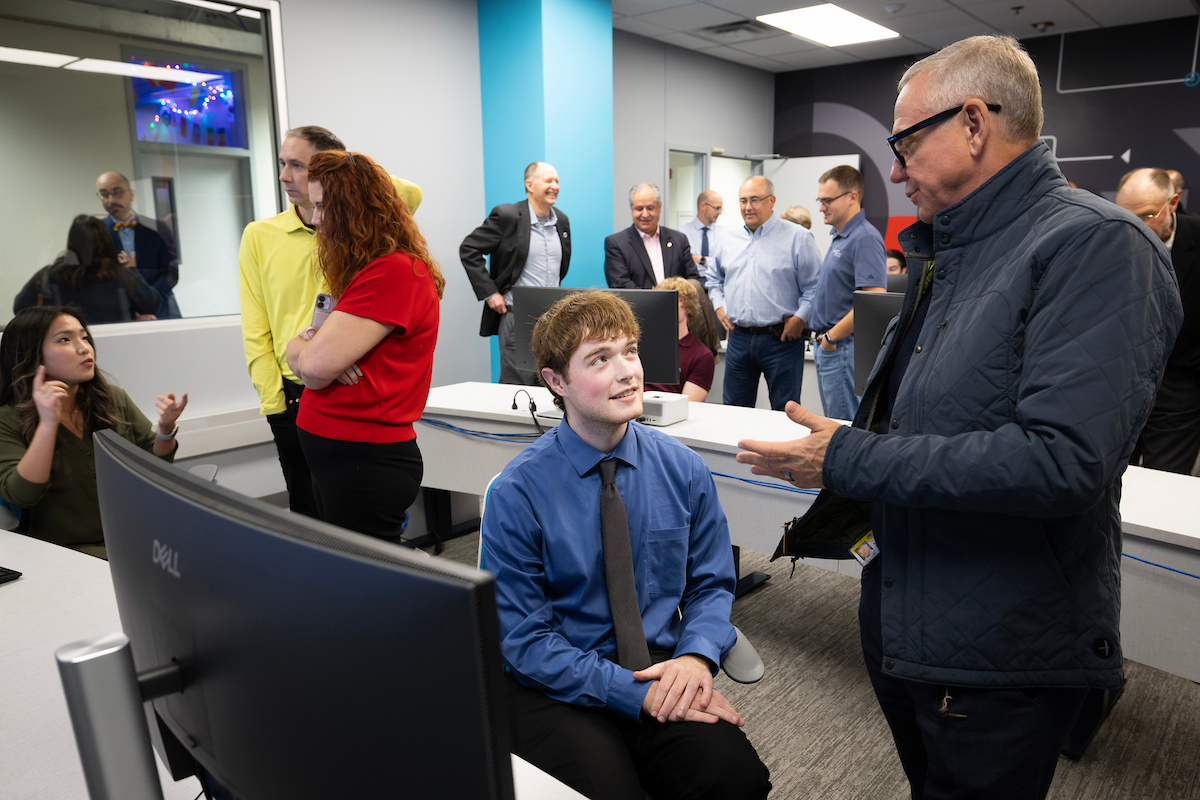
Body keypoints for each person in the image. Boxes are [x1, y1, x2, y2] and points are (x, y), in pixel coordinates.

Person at [736, 35, 1181, 800]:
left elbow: (1060, 462)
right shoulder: (956, 248)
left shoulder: (1097, 247)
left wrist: (847, 457)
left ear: (974, 123)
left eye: (905, 144)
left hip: (998, 651)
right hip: (913, 616)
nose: (896, 170)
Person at [482, 290, 770, 800]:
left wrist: (695, 657)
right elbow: (524, 640)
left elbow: (710, 585)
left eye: (630, 351)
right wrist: (635, 694)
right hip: (557, 679)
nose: (628, 372)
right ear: (556, 382)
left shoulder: (683, 469)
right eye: (600, 359)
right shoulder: (517, 493)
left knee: (734, 779)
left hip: (660, 663)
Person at [238, 125, 422, 519]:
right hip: (291, 392)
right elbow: (255, 324)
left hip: (348, 387)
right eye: (282, 164)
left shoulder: (364, 241)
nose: (284, 176)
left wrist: (344, 171)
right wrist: (273, 398)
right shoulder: (260, 235)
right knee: (308, 513)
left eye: (297, 165)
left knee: (354, 519)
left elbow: (409, 191)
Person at [285, 150, 443, 543]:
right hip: (341, 453)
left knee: (364, 573)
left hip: (363, 458)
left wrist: (314, 351)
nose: (316, 219)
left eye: (324, 207)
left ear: (355, 209)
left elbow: (313, 369)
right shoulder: (368, 268)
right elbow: (297, 354)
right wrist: (312, 347)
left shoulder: (394, 272)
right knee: (343, 566)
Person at [0, 306, 188, 559]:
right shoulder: (7, 418)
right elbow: (22, 495)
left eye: (84, 337)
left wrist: (165, 430)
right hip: (69, 554)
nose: (84, 348)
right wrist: (47, 423)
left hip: (137, 538)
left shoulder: (112, 398)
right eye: (64, 339)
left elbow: (155, 466)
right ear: (31, 354)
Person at [703, 175, 821, 410]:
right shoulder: (727, 238)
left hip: (781, 340)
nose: (748, 207)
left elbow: (815, 286)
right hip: (738, 338)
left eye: (755, 200)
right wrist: (719, 305)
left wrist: (800, 317)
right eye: (743, 201)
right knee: (734, 410)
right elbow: (714, 278)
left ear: (772, 201)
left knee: (786, 411)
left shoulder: (798, 237)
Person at [1117, 167, 1200, 474]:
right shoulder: (1110, 236)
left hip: (1180, 389)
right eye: (1127, 216)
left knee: (1164, 482)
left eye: (1147, 216)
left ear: (1173, 203)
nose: (1135, 226)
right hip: (1123, 387)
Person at [460, 162, 571, 385]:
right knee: (517, 385)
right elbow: (469, 249)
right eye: (548, 181)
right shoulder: (507, 216)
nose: (555, 186)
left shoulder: (561, 220)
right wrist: (490, 293)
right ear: (529, 185)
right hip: (516, 316)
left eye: (557, 181)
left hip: (552, 318)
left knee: (549, 383)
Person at [807, 165, 887, 421]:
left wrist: (832, 337)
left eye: (827, 200)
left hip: (842, 347)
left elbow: (873, 301)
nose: (821, 207)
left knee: (842, 427)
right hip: (831, 346)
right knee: (834, 423)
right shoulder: (841, 236)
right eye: (820, 200)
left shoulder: (864, 237)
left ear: (852, 197)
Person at [14, 216, 161, 323]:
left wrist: (47, 323)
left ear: (72, 244)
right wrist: (132, 270)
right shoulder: (121, 275)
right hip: (117, 345)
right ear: (106, 241)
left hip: (67, 345)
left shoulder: (50, 274)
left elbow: (20, 307)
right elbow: (152, 304)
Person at [95, 171, 181, 319]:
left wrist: (147, 300)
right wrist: (132, 311)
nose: (111, 200)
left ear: (132, 194)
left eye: (117, 192)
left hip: (160, 309)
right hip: (119, 314)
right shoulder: (97, 232)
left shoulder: (158, 228)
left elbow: (171, 273)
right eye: (104, 194)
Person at [604, 184, 699, 289]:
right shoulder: (616, 243)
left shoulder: (679, 240)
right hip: (636, 301)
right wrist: (655, 298)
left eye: (650, 208)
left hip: (677, 300)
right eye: (639, 209)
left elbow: (693, 279)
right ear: (632, 209)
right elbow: (621, 285)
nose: (645, 214)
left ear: (659, 207)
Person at [645, 277, 715, 401]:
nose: (665, 305)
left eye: (673, 300)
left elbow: (687, 404)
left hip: (669, 410)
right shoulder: (643, 344)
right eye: (662, 300)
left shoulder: (702, 356)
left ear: (688, 306)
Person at [679, 189, 723, 273]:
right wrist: (711, 262)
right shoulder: (682, 233)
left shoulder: (723, 234)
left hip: (717, 279)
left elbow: (722, 263)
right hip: (691, 279)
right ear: (703, 206)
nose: (720, 212)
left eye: (720, 209)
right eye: (717, 208)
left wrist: (702, 260)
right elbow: (682, 262)